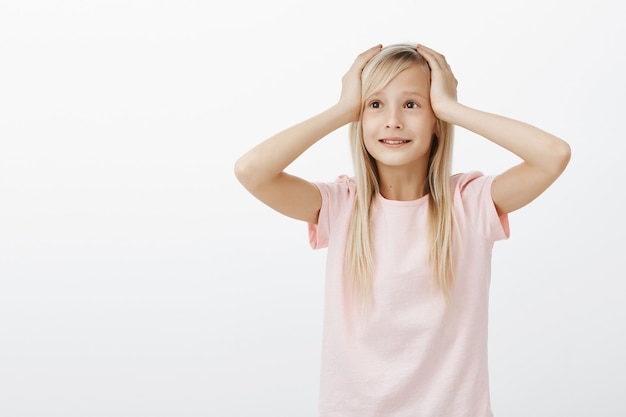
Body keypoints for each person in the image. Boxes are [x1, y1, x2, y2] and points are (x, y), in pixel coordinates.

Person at [234, 43, 570, 417]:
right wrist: (342, 110)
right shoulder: (341, 206)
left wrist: (453, 109)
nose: (392, 120)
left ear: (435, 121)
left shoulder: (468, 205)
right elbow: (252, 171)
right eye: (375, 105)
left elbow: (553, 155)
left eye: (411, 105)